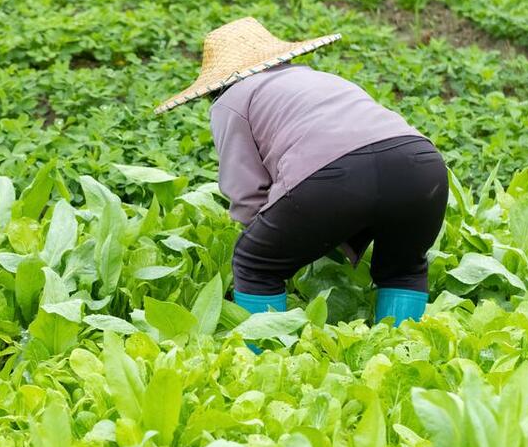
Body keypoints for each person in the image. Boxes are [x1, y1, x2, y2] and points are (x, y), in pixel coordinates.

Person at [156, 18, 448, 337]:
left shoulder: (231, 100)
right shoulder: (318, 79)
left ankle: (263, 362)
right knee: (404, 268)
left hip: (337, 173)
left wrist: (270, 239)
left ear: (215, 85)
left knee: (255, 263)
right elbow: (373, 150)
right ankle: (402, 353)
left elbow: (247, 193)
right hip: (422, 165)